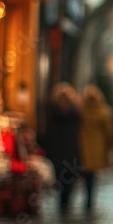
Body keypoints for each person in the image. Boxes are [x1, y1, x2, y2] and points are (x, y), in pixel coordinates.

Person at [42, 83, 83, 212]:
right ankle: (66, 201)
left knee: (60, 175)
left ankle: (62, 201)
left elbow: (47, 132)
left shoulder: (52, 112)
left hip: (57, 149)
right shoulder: (74, 113)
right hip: (70, 149)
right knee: (68, 176)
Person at [79, 85, 113, 210]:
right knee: (92, 175)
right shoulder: (104, 111)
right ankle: (89, 200)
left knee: (82, 172)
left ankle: (73, 200)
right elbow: (109, 132)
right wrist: (109, 147)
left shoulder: (81, 110)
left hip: (83, 146)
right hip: (98, 147)